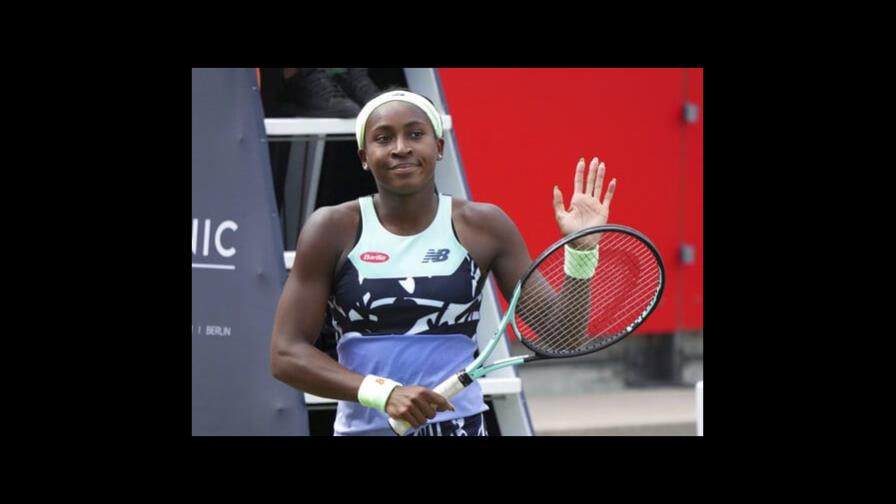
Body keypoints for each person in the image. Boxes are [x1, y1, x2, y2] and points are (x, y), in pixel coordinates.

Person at [270, 88, 617, 436]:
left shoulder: (485, 226)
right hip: (365, 430)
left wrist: (582, 252)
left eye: (415, 134)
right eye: (383, 138)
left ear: (438, 147)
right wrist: (383, 393)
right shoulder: (331, 228)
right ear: (364, 156)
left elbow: (563, 337)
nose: (401, 147)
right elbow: (286, 354)